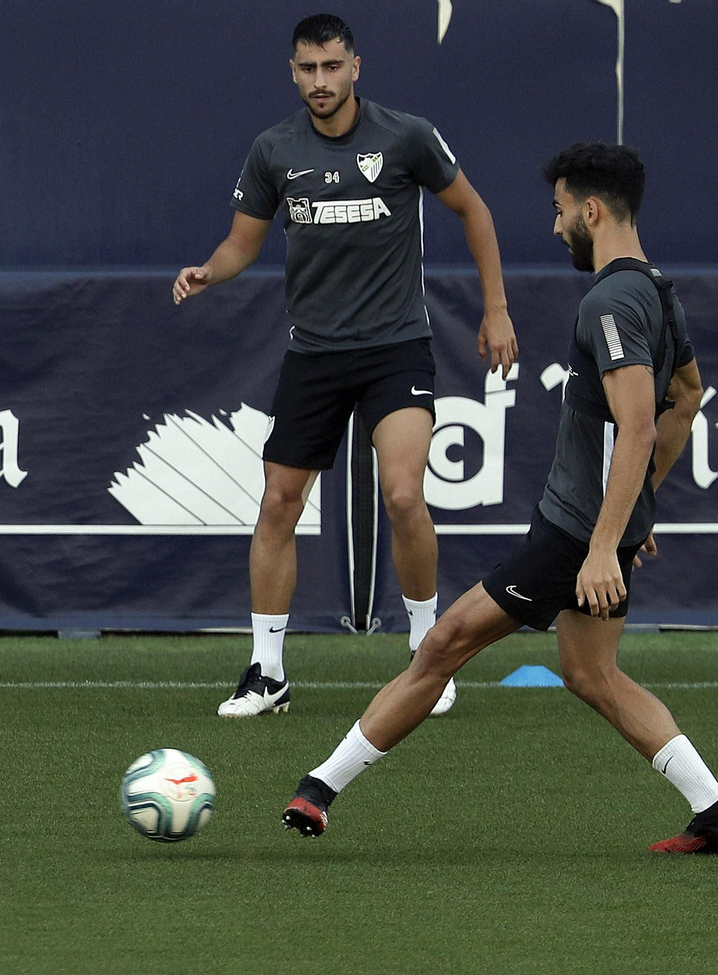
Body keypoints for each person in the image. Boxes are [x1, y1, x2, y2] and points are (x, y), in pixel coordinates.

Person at [279, 142, 718, 855]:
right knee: (592, 674)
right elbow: (684, 398)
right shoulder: (656, 289)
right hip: (596, 525)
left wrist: (604, 542)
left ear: (592, 210)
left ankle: (317, 789)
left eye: (561, 211)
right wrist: (635, 511)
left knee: (444, 641)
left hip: (573, 535)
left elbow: (636, 424)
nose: (556, 225)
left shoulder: (611, 299)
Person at [173, 14, 517, 718]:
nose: (320, 81)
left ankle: (430, 651)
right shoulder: (274, 150)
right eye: (308, 69)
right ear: (293, 72)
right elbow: (244, 242)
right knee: (277, 503)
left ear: (356, 67)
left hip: (397, 348)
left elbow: (474, 212)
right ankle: (267, 672)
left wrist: (497, 310)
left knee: (402, 496)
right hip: (314, 353)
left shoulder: (406, 137)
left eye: (332, 67)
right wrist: (212, 270)